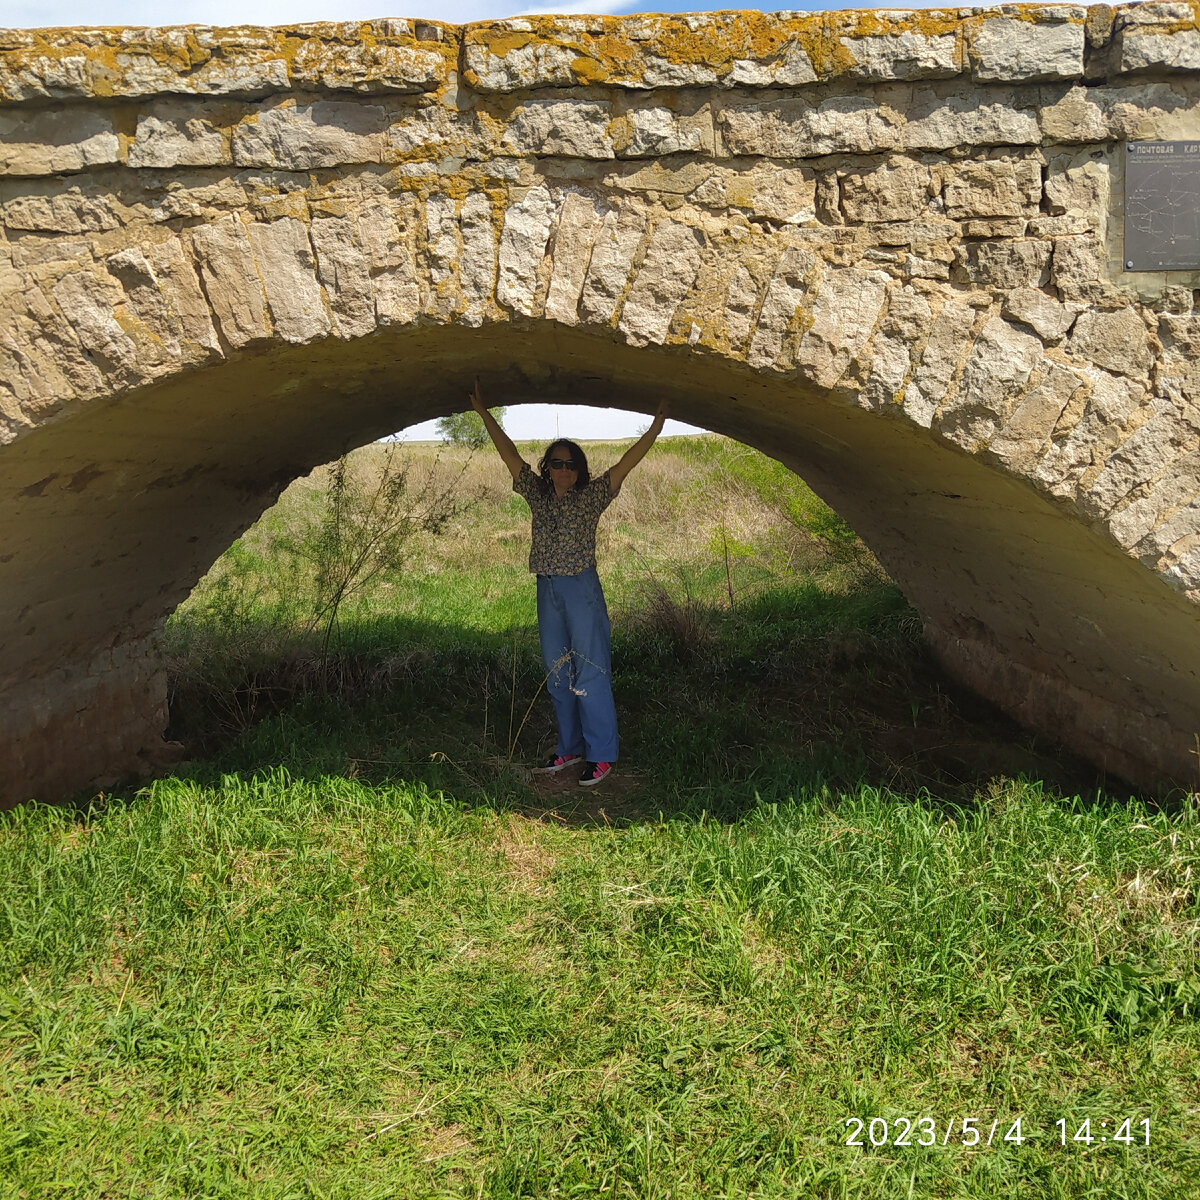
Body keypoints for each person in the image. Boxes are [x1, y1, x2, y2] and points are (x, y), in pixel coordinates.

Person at [469, 380, 668, 786]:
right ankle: (571, 748)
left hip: (581, 589)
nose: (563, 470)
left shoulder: (592, 497)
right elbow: (509, 454)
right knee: (558, 672)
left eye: (570, 464)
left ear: (580, 471)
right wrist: (484, 414)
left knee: (590, 671)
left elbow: (626, 464)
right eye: (556, 463)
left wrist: (654, 429)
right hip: (548, 590)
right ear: (547, 468)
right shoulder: (536, 494)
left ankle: (602, 754)